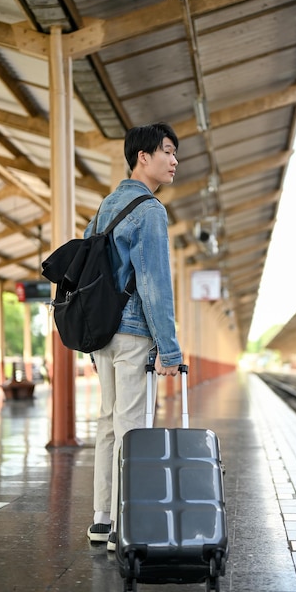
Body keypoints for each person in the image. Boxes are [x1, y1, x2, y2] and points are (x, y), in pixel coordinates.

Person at [85, 122, 182, 551]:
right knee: (131, 426)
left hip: (102, 333)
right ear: (143, 156)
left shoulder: (106, 206)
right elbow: (155, 284)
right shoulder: (150, 210)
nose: (174, 160)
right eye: (167, 151)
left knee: (107, 423)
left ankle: (102, 519)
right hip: (134, 334)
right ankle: (127, 523)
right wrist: (170, 348)